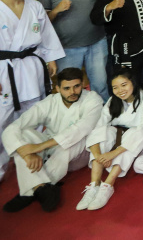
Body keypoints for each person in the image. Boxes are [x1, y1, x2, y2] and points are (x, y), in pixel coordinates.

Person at [1, 67, 102, 213]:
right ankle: (40, 188)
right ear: (57, 88)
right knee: (21, 132)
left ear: (83, 84)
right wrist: (26, 154)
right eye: (66, 88)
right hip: (49, 149)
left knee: (72, 141)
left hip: (78, 153)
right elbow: (14, 128)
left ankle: (30, 190)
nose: (72, 92)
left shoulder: (93, 99)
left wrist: (37, 148)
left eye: (77, 86)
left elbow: (81, 129)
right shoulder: (49, 102)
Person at [77, 67, 143, 210]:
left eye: (124, 85)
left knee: (134, 133)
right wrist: (99, 156)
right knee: (103, 130)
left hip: (140, 142)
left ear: (133, 82)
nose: (120, 90)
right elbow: (98, 127)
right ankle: (94, 185)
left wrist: (112, 154)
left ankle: (107, 185)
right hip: (116, 137)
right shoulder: (113, 101)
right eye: (115, 87)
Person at [39, 0, 110, 101]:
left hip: (97, 42)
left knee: (101, 84)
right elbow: (43, 23)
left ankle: (103, 115)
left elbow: (108, 7)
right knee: (70, 87)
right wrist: (56, 10)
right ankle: (72, 117)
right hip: (67, 48)